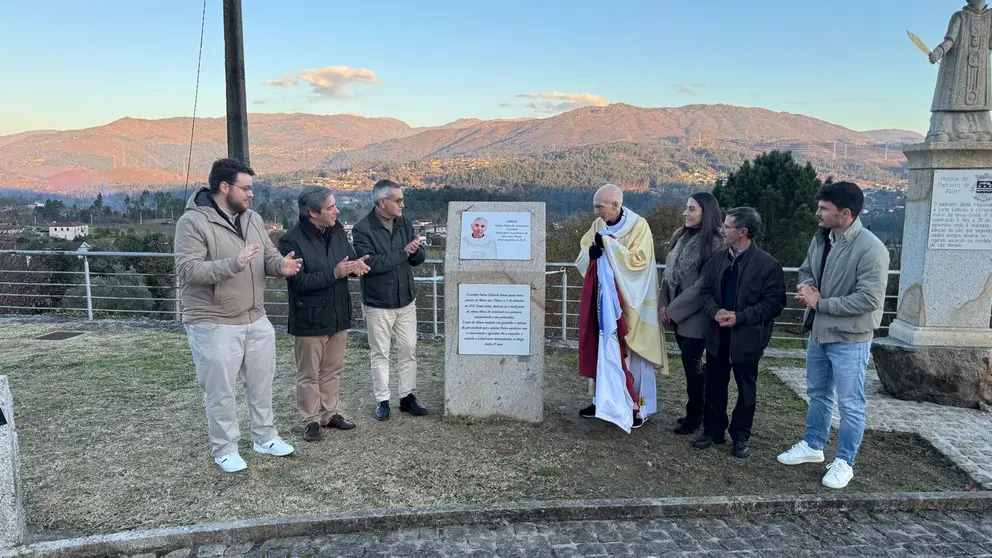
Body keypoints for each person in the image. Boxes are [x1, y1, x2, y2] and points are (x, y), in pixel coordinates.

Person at [174, 158, 303, 473]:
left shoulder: (253, 219)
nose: (250, 195)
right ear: (224, 187)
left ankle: (264, 437)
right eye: (245, 188)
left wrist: (281, 267)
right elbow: (187, 269)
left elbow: (268, 256)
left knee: (262, 383)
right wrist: (232, 264)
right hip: (212, 320)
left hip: (255, 317)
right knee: (221, 389)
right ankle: (224, 449)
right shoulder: (191, 223)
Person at [777, 181, 890, 489]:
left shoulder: (871, 249)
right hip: (819, 333)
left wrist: (821, 303)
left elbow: (869, 300)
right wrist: (805, 286)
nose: (818, 213)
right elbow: (806, 270)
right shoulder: (821, 239)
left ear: (845, 213)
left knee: (850, 402)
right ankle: (813, 446)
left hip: (850, 339)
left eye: (824, 209)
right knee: (818, 393)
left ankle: (844, 461)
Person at [278, 186, 370, 442]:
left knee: (332, 369)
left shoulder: (337, 230)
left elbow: (347, 259)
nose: (336, 211)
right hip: (309, 318)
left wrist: (355, 265)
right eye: (330, 207)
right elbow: (298, 283)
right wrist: (335, 273)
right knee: (309, 373)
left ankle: (330, 413)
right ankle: (310, 420)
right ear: (312, 212)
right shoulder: (290, 241)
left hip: (338, 313)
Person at [693, 207, 786, 458]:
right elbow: (705, 293)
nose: (723, 230)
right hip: (717, 336)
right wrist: (715, 312)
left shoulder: (768, 265)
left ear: (743, 232)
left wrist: (740, 318)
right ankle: (713, 430)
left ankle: (741, 436)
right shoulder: (718, 259)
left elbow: (775, 304)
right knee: (714, 385)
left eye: (728, 226)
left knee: (746, 391)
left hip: (747, 340)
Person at [575, 184, 665, 432]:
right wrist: (592, 254)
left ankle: (639, 407)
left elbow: (640, 262)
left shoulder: (639, 226)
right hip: (605, 300)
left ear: (616, 205)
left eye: (599, 206)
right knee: (603, 347)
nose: (596, 212)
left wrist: (608, 246)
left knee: (634, 355)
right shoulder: (598, 226)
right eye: (595, 206)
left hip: (632, 302)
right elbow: (586, 247)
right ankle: (601, 400)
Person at [352, 179, 428, 421]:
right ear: (381, 202)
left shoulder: (404, 223)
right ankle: (382, 400)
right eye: (398, 200)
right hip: (378, 303)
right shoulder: (362, 229)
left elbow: (417, 259)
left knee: (408, 350)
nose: (402, 205)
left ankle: (407, 397)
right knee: (380, 353)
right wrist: (404, 253)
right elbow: (371, 264)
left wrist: (415, 251)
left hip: (406, 300)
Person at [659, 192, 725, 435]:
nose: (685, 213)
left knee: (692, 364)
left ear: (706, 213)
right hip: (676, 314)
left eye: (692, 209)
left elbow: (703, 286)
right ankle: (696, 411)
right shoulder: (682, 237)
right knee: (691, 365)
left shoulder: (716, 244)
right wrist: (663, 304)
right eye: (686, 208)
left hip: (696, 317)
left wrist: (673, 310)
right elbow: (668, 274)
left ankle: (695, 415)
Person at [926, 0, 992, 142]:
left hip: (979, 69)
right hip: (957, 67)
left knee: (979, 99)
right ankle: (944, 129)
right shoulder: (959, 16)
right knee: (952, 97)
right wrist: (939, 51)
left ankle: (981, 130)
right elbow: (949, 39)